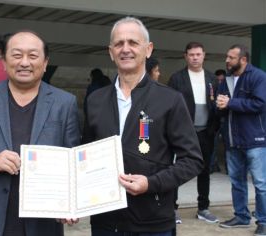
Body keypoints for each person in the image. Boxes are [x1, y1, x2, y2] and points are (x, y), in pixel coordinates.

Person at [0, 30, 81, 236]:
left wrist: (71, 203)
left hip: (43, 222)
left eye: (33, 56)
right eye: (17, 55)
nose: (24, 62)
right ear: (3, 59)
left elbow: (73, 160)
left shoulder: (64, 103)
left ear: (45, 63)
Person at [82, 16, 203, 236]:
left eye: (133, 42)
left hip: (153, 222)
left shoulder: (170, 100)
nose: (125, 49)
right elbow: (84, 156)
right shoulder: (95, 100)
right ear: (110, 52)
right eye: (119, 44)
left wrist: (151, 183)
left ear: (148, 50)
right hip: (105, 222)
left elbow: (192, 161)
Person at [217, 44, 266, 236]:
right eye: (227, 57)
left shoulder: (258, 77)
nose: (227, 60)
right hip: (232, 139)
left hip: (255, 139)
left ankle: (263, 221)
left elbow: (260, 104)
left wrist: (230, 103)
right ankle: (241, 216)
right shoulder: (226, 79)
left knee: (261, 183)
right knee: (236, 181)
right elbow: (222, 102)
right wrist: (219, 105)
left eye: (231, 57)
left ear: (243, 60)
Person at [168, 42, 219, 224]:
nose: (195, 58)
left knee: (205, 170)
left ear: (204, 55)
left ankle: (203, 208)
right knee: (176, 169)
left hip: (206, 131)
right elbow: (170, 106)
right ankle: (172, 208)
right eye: (191, 54)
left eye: (198, 54)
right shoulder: (177, 78)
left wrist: (214, 128)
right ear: (185, 56)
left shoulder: (212, 79)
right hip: (183, 133)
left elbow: (216, 106)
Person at [210, 69, 227, 173]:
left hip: (225, 121)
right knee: (213, 145)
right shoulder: (212, 89)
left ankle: (229, 168)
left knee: (228, 146)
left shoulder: (228, 89)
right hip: (215, 122)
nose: (220, 82)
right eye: (218, 80)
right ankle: (212, 166)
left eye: (222, 80)